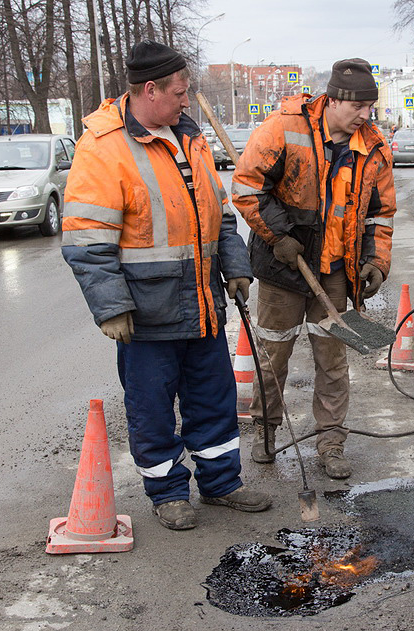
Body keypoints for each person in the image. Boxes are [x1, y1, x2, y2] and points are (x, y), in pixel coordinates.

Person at [61, 40, 270, 531]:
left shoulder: (189, 137)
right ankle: (169, 491)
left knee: (213, 398)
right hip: (146, 312)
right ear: (150, 90)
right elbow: (88, 242)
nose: (187, 100)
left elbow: (217, 217)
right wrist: (111, 307)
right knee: (152, 407)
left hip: (202, 305)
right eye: (180, 92)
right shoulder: (104, 147)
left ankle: (221, 483)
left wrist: (235, 266)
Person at [232, 57, 396, 480]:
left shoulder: (373, 147)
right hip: (282, 267)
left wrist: (376, 261)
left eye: (370, 107)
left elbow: (380, 214)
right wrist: (279, 236)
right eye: (359, 107)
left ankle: (331, 443)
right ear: (336, 100)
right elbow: (248, 189)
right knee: (273, 356)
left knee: (332, 360)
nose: (366, 115)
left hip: (335, 272)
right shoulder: (283, 128)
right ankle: (266, 435)